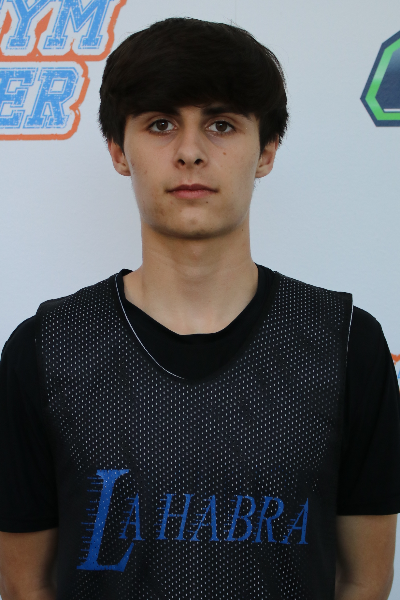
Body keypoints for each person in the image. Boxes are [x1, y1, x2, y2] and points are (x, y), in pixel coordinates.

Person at [0, 17, 399, 600]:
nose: (190, 152)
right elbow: (24, 586)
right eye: (161, 124)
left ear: (266, 152)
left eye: (221, 125)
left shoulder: (346, 345)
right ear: (118, 151)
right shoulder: (44, 349)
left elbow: (365, 580)